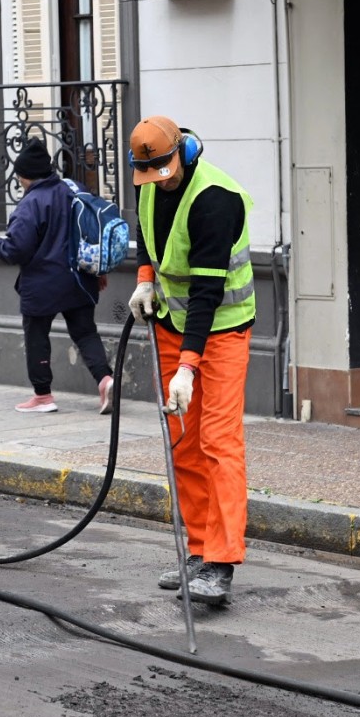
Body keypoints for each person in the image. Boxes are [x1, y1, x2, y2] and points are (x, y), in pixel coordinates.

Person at [127, 116, 254, 606]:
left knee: (218, 443)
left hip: (221, 331)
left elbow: (207, 292)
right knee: (183, 444)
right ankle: (198, 552)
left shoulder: (215, 199)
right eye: (150, 174)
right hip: (171, 326)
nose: (161, 181)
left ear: (185, 152)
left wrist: (187, 367)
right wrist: (143, 278)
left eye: (166, 170)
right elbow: (147, 234)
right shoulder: (148, 182)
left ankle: (220, 565)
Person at [0, 138, 115, 414]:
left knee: (37, 337)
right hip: (79, 279)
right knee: (85, 333)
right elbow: (92, 231)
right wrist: (99, 270)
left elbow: (16, 250)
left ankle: (43, 396)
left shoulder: (30, 205)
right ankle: (105, 380)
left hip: (42, 284)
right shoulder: (74, 189)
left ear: (24, 175)